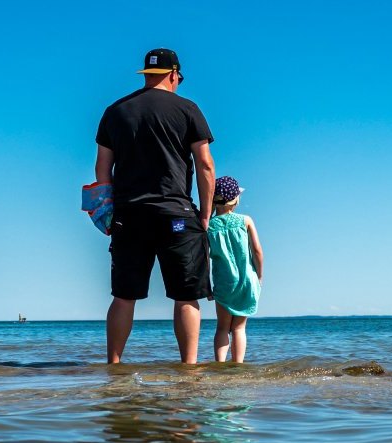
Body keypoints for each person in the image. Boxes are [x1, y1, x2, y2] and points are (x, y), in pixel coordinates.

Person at [94, 47, 215, 364]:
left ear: (147, 75)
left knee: (123, 297)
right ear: (174, 74)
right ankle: (188, 370)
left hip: (129, 216)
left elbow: (102, 169)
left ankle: (114, 368)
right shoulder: (187, 109)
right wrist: (204, 214)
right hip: (176, 214)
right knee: (186, 297)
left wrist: (108, 213)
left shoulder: (115, 111)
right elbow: (205, 165)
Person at [208, 176, 264, 363]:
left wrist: (206, 285)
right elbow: (257, 251)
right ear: (236, 199)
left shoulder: (208, 226)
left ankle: (220, 365)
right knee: (239, 328)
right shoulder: (245, 220)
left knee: (222, 327)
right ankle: (238, 365)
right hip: (247, 280)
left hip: (224, 282)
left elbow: (203, 260)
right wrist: (259, 275)